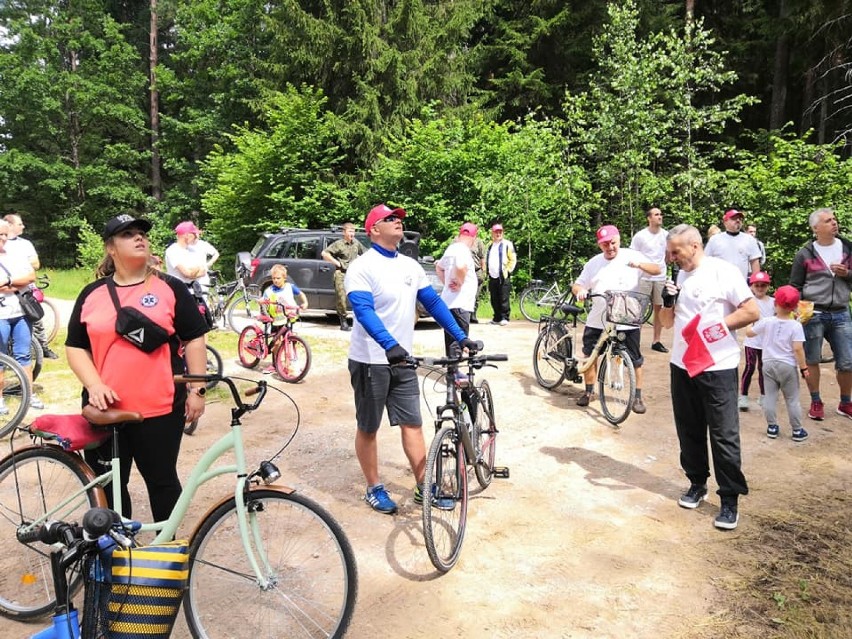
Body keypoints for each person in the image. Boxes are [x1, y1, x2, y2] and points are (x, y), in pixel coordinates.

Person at [65, 214, 209, 521]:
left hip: (159, 410)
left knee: (163, 483)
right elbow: (75, 346)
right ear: (111, 249)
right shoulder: (92, 294)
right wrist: (94, 385)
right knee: (110, 487)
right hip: (105, 410)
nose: (139, 238)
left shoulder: (171, 288)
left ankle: (167, 555)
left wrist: (198, 389)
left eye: (141, 232)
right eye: (128, 234)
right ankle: (117, 555)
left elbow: (195, 338)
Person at [345, 203, 477, 515]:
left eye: (399, 218)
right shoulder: (362, 267)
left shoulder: (410, 266)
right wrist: (389, 344)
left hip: (402, 360)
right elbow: (363, 311)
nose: (398, 222)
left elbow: (433, 302)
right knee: (368, 427)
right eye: (389, 219)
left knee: (413, 424)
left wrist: (460, 336)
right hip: (370, 360)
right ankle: (374, 487)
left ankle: (424, 487)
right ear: (374, 229)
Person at [659, 224, 758, 531]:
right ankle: (696, 483)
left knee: (723, 434)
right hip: (682, 364)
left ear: (695, 246)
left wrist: (717, 328)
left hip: (718, 365)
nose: (671, 257)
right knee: (688, 429)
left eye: (676, 251)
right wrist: (666, 302)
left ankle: (729, 499)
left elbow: (752, 311)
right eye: (670, 251)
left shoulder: (722, 271)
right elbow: (666, 322)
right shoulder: (679, 275)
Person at [572, 225, 661, 414]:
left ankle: (637, 396)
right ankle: (588, 392)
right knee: (590, 356)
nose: (610, 247)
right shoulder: (593, 263)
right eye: (605, 244)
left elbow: (657, 269)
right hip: (598, 320)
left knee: (635, 359)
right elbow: (578, 284)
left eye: (613, 242)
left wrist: (639, 265)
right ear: (599, 245)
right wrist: (580, 291)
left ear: (619, 239)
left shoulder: (632, 255)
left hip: (627, 319)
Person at [789, 207, 852, 420]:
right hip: (814, 312)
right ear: (816, 228)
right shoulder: (805, 253)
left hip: (841, 312)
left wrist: (847, 274)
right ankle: (816, 402)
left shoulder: (847, 249)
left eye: (834, 219)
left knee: (848, 361)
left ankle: (845, 403)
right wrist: (797, 309)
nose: (834, 223)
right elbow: (795, 286)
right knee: (812, 359)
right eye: (828, 220)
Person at [746, 285, 809, 441]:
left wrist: (750, 321)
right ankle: (797, 430)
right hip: (787, 365)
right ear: (795, 306)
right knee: (792, 399)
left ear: (775, 303)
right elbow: (798, 349)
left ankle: (772, 427)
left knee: (770, 397)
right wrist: (804, 368)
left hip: (768, 363)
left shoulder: (767, 321)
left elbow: (749, 333)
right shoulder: (796, 325)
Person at [0, 219, 43, 412]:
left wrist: (9, 281)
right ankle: (0, 399)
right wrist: (17, 283)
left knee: (24, 355)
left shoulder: (15, 254)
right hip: (1, 315)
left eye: (4, 234)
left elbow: (30, 277)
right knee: (1, 358)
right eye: (0, 235)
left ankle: (29, 394)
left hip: (21, 311)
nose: (3, 239)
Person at [3, 213, 59, 360]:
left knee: (36, 319)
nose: (23, 226)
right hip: (6, 303)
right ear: (9, 225)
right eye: (20, 224)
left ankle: (43, 348)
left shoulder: (25, 244)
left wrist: (12, 281)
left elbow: (34, 266)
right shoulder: (5, 246)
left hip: (25, 293)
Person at [630, 207, 670, 352]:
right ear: (649, 218)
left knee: (659, 309)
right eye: (656, 214)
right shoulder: (640, 236)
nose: (660, 217)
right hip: (643, 277)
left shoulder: (666, 235)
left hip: (660, 276)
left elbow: (667, 255)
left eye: (660, 214)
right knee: (639, 310)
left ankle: (656, 341)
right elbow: (632, 254)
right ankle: (634, 341)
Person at [435, 222, 478, 355]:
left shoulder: (451, 249)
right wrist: (459, 282)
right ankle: (454, 372)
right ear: (473, 237)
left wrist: (447, 283)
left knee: (450, 337)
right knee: (459, 340)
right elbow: (460, 266)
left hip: (448, 301)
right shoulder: (463, 250)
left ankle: (452, 370)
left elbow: (438, 266)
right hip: (461, 302)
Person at [739, 271, 775, 411]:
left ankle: (764, 395)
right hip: (752, 341)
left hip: (766, 342)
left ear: (768, 286)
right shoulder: (749, 302)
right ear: (751, 286)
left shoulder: (773, 302)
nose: (760, 288)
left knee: (763, 369)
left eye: (763, 285)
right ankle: (743, 396)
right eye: (757, 285)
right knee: (749, 367)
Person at [322, 222, 366, 331]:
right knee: (341, 298)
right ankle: (343, 321)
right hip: (341, 273)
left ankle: (359, 321)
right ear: (344, 232)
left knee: (357, 295)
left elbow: (366, 254)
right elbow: (325, 253)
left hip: (354, 274)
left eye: (353, 231)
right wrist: (336, 263)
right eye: (350, 231)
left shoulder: (356, 243)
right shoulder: (339, 244)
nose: (352, 234)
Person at [704, 209, 761, 279]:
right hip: (719, 285)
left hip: (741, 284)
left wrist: (756, 282)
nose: (738, 221)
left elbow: (755, 263)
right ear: (725, 222)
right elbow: (705, 262)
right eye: (734, 218)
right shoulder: (715, 240)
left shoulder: (749, 240)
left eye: (740, 219)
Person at [486, 223, 516, 325]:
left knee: (504, 297)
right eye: (496, 232)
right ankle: (497, 317)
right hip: (492, 275)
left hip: (503, 275)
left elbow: (513, 259)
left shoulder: (507, 244)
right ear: (492, 233)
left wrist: (508, 270)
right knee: (494, 298)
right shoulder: (490, 245)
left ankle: (504, 317)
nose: (498, 234)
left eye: (500, 232)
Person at [165, 221, 208, 286]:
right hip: (178, 290)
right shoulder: (172, 251)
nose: (196, 237)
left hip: (194, 290)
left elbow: (204, 271)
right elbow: (187, 273)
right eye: (194, 234)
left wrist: (193, 271)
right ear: (187, 235)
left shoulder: (193, 250)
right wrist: (196, 269)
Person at [469, 231, 487, 324]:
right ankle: (465, 315)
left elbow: (482, 257)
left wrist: (483, 270)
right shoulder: (459, 241)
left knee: (476, 294)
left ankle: (473, 315)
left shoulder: (478, 242)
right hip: (465, 271)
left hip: (476, 271)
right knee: (466, 294)